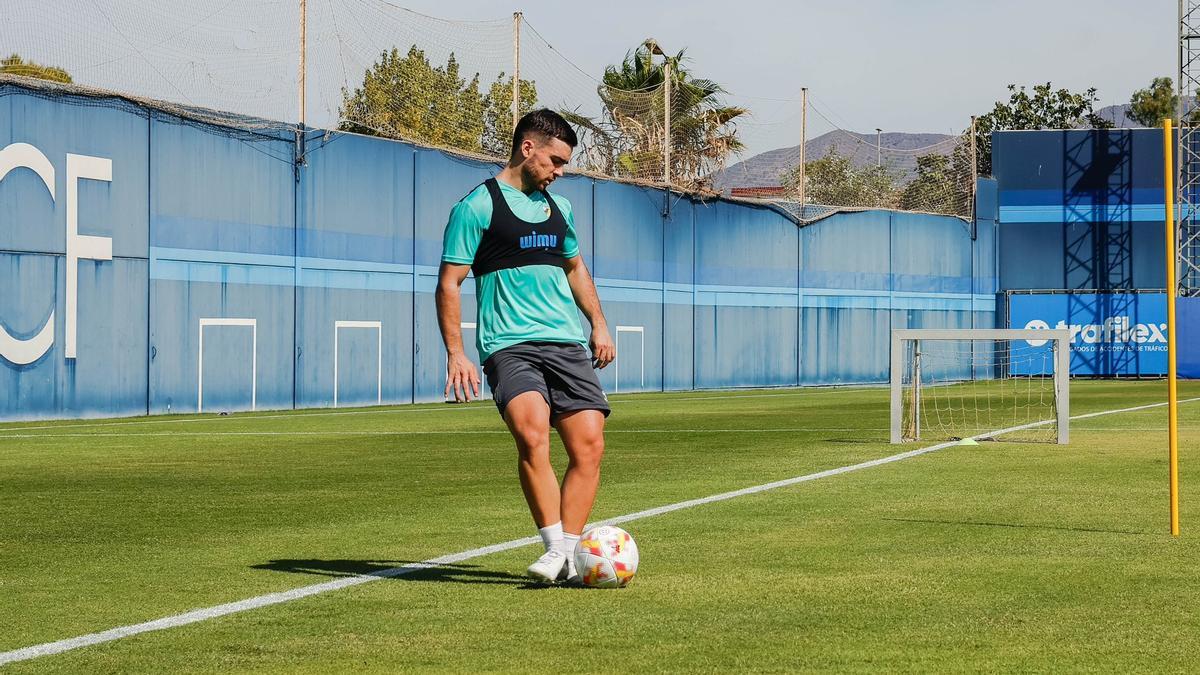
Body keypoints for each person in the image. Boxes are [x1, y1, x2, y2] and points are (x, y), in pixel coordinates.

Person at [435, 109, 615, 583]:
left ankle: (568, 555)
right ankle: (555, 547)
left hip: (566, 343)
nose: (559, 172)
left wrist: (598, 323)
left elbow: (575, 268)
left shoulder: (562, 209)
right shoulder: (476, 207)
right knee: (532, 432)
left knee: (589, 445)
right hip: (509, 344)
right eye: (555, 161)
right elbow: (449, 283)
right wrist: (456, 352)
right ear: (527, 147)